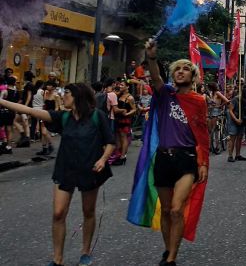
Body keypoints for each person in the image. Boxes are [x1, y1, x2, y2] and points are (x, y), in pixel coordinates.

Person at [0, 82, 115, 266]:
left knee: (88, 211)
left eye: (66, 93)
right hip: (66, 169)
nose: (63, 96)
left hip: (90, 169)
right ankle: (58, 259)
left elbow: (110, 142)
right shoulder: (63, 117)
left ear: (77, 95)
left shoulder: (97, 116)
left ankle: (85, 251)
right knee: (58, 213)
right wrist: (2, 102)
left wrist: (103, 159)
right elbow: (29, 111)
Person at [127, 40, 209, 266]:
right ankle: (168, 248)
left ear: (193, 77)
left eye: (186, 69)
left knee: (176, 209)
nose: (181, 71)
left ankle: (171, 257)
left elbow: (202, 134)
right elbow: (155, 79)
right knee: (164, 211)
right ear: (173, 75)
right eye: (177, 69)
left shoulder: (199, 101)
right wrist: (152, 58)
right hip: (163, 158)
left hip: (186, 160)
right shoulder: (165, 95)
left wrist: (202, 163)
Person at [113, 80, 136, 165]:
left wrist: (127, 114)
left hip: (125, 119)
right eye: (120, 85)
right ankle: (119, 155)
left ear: (127, 86)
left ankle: (123, 156)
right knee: (118, 137)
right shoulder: (119, 95)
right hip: (118, 118)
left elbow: (134, 109)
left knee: (123, 137)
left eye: (122, 85)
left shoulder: (130, 98)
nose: (120, 86)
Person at [206, 82, 229, 155]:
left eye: (209, 87)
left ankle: (217, 146)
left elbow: (227, 100)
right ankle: (210, 145)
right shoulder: (211, 93)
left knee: (214, 129)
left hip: (216, 111)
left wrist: (220, 106)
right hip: (210, 111)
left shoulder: (217, 93)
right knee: (210, 130)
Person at [225, 86, 246, 162]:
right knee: (233, 137)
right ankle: (230, 155)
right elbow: (230, 110)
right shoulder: (235, 99)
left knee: (240, 137)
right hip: (234, 119)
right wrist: (236, 120)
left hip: (242, 119)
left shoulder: (245, 100)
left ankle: (238, 154)